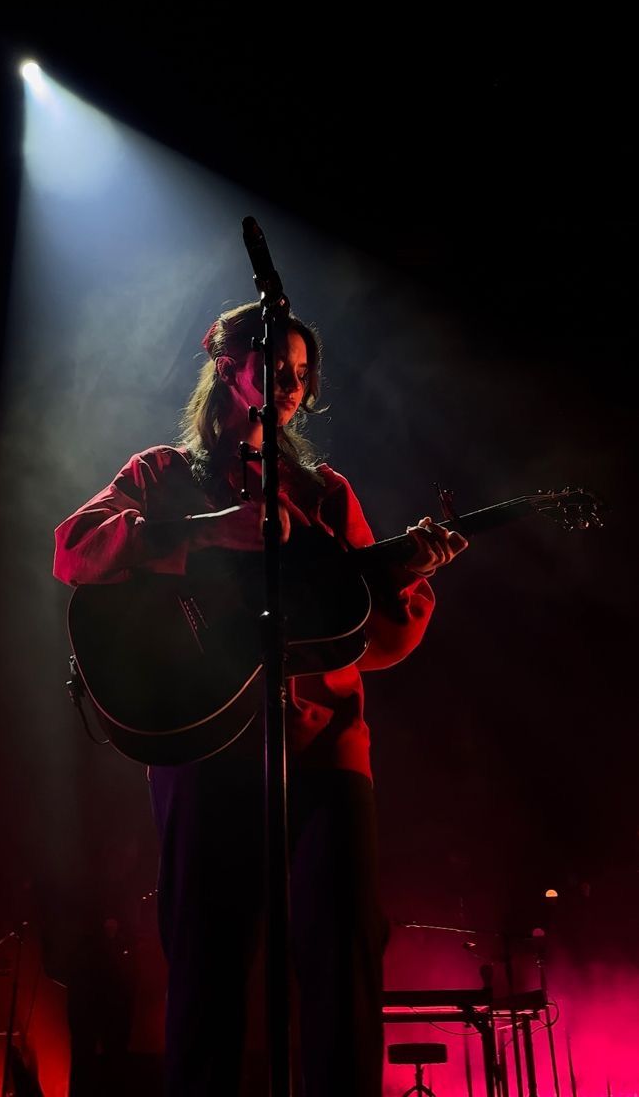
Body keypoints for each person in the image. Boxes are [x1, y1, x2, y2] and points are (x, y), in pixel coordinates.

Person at [53, 301, 467, 1096]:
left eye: (304, 376)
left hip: (325, 746)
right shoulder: (164, 476)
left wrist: (405, 577)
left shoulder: (325, 493)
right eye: (278, 365)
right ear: (227, 362)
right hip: (204, 742)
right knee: (207, 958)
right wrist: (203, 533)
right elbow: (74, 548)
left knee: (344, 954)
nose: (291, 386)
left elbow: (368, 637)